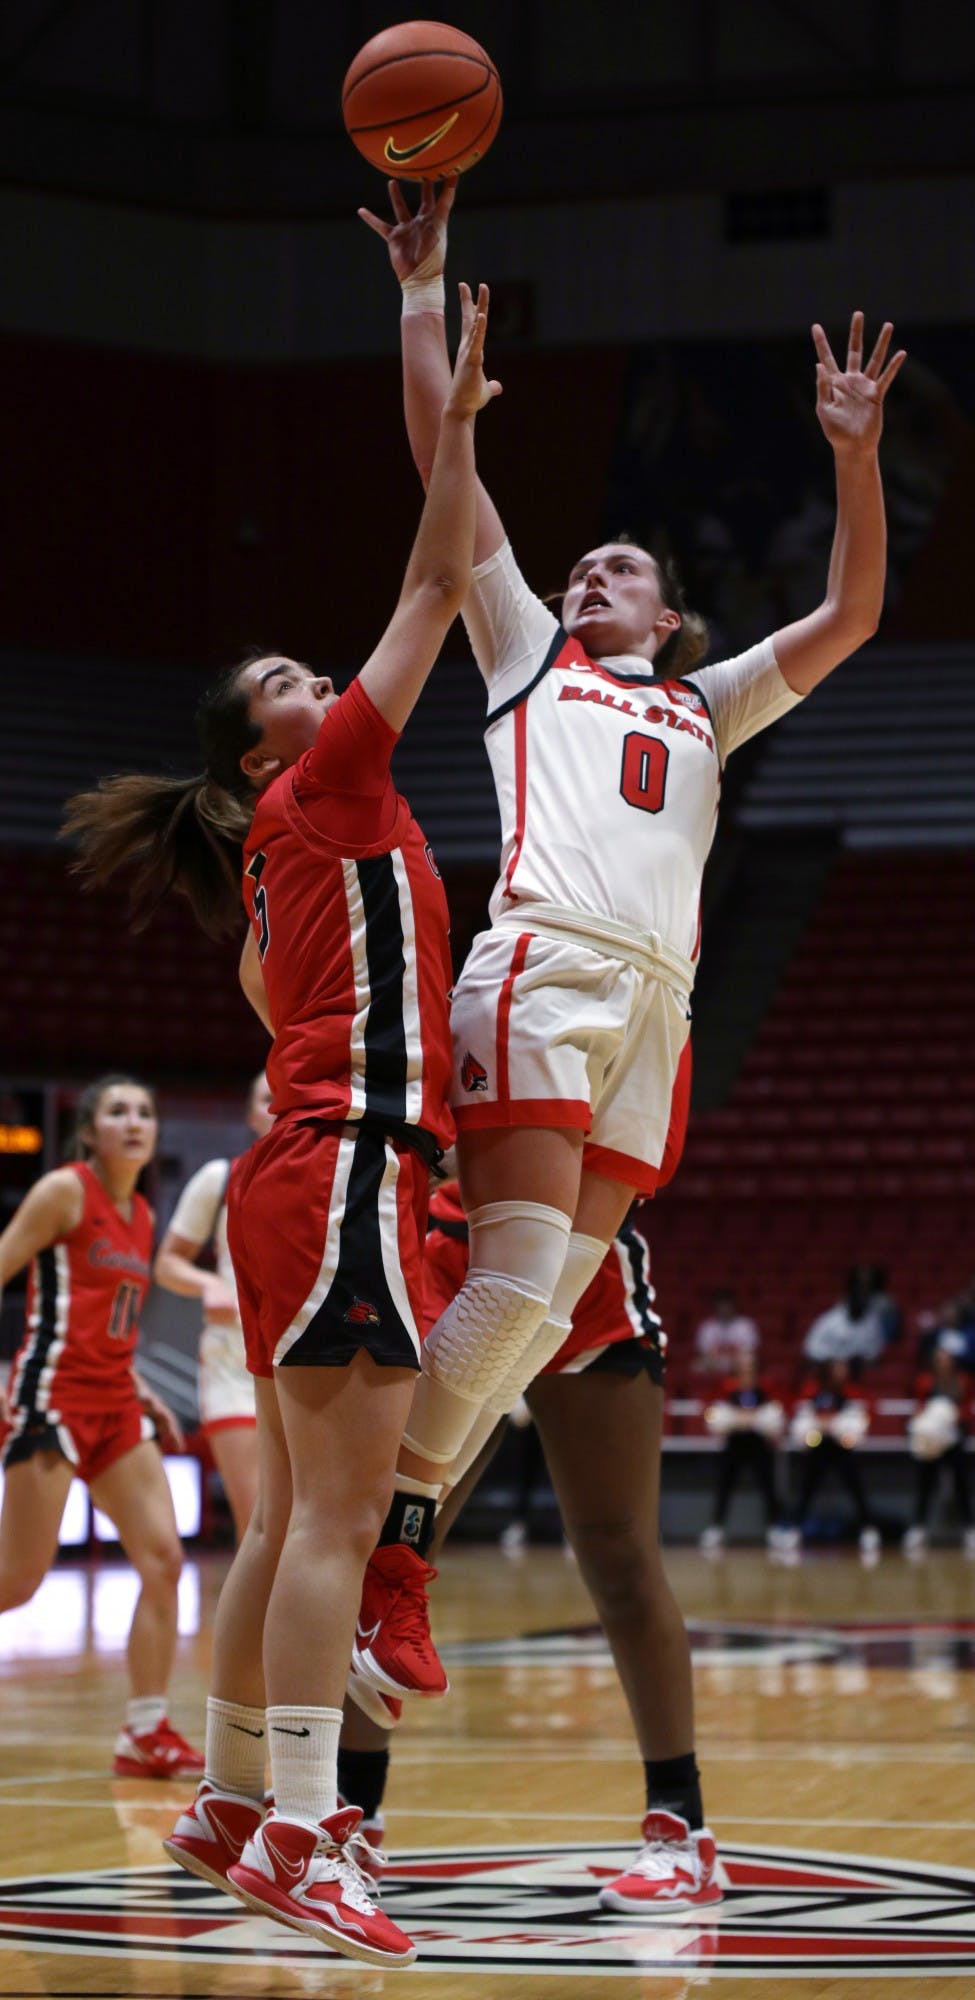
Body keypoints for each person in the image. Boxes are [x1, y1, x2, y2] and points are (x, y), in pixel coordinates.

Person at [354, 175, 905, 1713]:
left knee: (542, 1308)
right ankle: (385, 1559)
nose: (587, 573)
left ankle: (393, 1553)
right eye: (579, 564)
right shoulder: (526, 655)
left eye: (619, 571)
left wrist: (850, 460)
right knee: (517, 1283)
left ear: (666, 620)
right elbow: (443, 490)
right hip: (539, 963)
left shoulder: (703, 702)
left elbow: (853, 611)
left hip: (652, 1009)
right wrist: (421, 294)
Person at [62, 285, 499, 1971]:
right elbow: (445, 581)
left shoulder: (273, 876)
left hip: (302, 1176)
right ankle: (317, 1837)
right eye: (291, 680)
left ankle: (237, 1800)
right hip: (346, 1172)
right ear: (266, 753)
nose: (324, 678)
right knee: (333, 1519)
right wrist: (446, 406)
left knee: (296, 1516)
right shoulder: (324, 795)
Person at [340, 1137, 723, 1916]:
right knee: (393, 1553)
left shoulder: (643, 1013)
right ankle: (351, 1819)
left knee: (618, 1556)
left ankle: (681, 1833)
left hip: (577, 1257)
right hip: (449, 1259)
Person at [0, 1073, 201, 1779]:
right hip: (52, 1397)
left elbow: (104, 1318)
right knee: (17, 1582)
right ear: (89, 1132)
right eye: (117, 1112)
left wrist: (142, 1386)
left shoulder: (143, 1215)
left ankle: (144, 1730)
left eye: (144, 1111)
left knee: (163, 1559)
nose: (134, 1122)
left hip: (115, 1400)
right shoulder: (63, 1190)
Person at [154, 1072, 274, 1542]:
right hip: (234, 1366)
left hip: (300, 1365)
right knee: (258, 1529)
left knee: (300, 1527)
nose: (276, 1105)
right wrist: (207, 1283)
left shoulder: (326, 1179)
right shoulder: (220, 1178)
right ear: (249, 1113)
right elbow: (167, 1264)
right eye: (266, 1098)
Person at [783, 1358, 879, 1556]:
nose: (841, 1372)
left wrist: (836, 1425)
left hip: (842, 1447)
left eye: (843, 1368)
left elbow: (864, 1415)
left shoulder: (852, 1392)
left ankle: (868, 1529)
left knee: (855, 1487)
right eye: (837, 1368)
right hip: (818, 1447)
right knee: (807, 1488)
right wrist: (820, 1425)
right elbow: (801, 1414)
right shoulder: (813, 1390)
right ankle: (795, 1530)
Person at [698, 1351, 785, 1550]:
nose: (746, 1371)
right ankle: (716, 1528)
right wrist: (744, 1419)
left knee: (768, 1487)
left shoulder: (765, 1390)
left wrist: (747, 1418)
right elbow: (715, 1416)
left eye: (750, 1367)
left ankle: (775, 1529)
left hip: (759, 1445)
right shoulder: (727, 1389)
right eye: (742, 1367)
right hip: (734, 1444)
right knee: (724, 1486)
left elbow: (775, 1417)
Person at [904, 1343, 975, 1556]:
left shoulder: (963, 1381)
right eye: (939, 1360)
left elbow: (967, 1409)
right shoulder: (925, 1381)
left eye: (946, 1359)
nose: (943, 1363)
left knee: (962, 1485)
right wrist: (922, 1423)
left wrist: (954, 1418)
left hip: (953, 1439)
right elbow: (919, 1407)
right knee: (925, 1485)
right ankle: (918, 1529)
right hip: (931, 1442)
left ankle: (970, 1529)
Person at [802, 1264, 897, 1366]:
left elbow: (875, 1349)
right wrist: (832, 1359)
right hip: (828, 1364)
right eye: (855, 1300)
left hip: (857, 1368)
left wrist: (857, 1359)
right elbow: (811, 1347)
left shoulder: (872, 1322)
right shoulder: (830, 1320)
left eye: (862, 1301)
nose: (858, 1303)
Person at [692, 1289, 760, 1376]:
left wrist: (730, 1362)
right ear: (716, 1307)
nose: (724, 1309)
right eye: (721, 1306)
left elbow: (749, 1351)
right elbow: (705, 1353)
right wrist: (721, 1363)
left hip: (738, 1364)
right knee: (696, 1366)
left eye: (727, 1305)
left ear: (733, 1306)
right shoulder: (707, 1327)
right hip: (714, 1364)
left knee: (750, 1361)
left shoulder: (746, 1325)